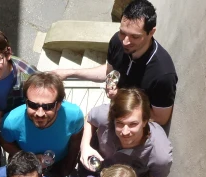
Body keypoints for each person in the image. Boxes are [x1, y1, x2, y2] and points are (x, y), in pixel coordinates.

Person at [53, 0, 178, 129]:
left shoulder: (163, 75)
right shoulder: (117, 42)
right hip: (116, 110)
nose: (125, 41)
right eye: (122, 32)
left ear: (151, 32)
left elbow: (160, 118)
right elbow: (109, 70)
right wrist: (69, 73)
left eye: (135, 37)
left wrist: (120, 97)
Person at [79, 88, 172, 177]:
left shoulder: (160, 154)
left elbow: (154, 176)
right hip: (94, 169)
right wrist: (85, 146)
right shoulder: (105, 115)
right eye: (120, 123)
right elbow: (90, 119)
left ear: (145, 121)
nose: (125, 132)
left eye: (133, 124)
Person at [0, 72, 84, 177]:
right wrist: (28, 158)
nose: (40, 113)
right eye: (33, 105)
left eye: (48, 106)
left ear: (58, 105)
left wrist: (68, 167)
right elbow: (5, 142)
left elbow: (76, 141)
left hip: (59, 163)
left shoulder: (74, 116)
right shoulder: (11, 121)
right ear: (26, 102)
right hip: (27, 166)